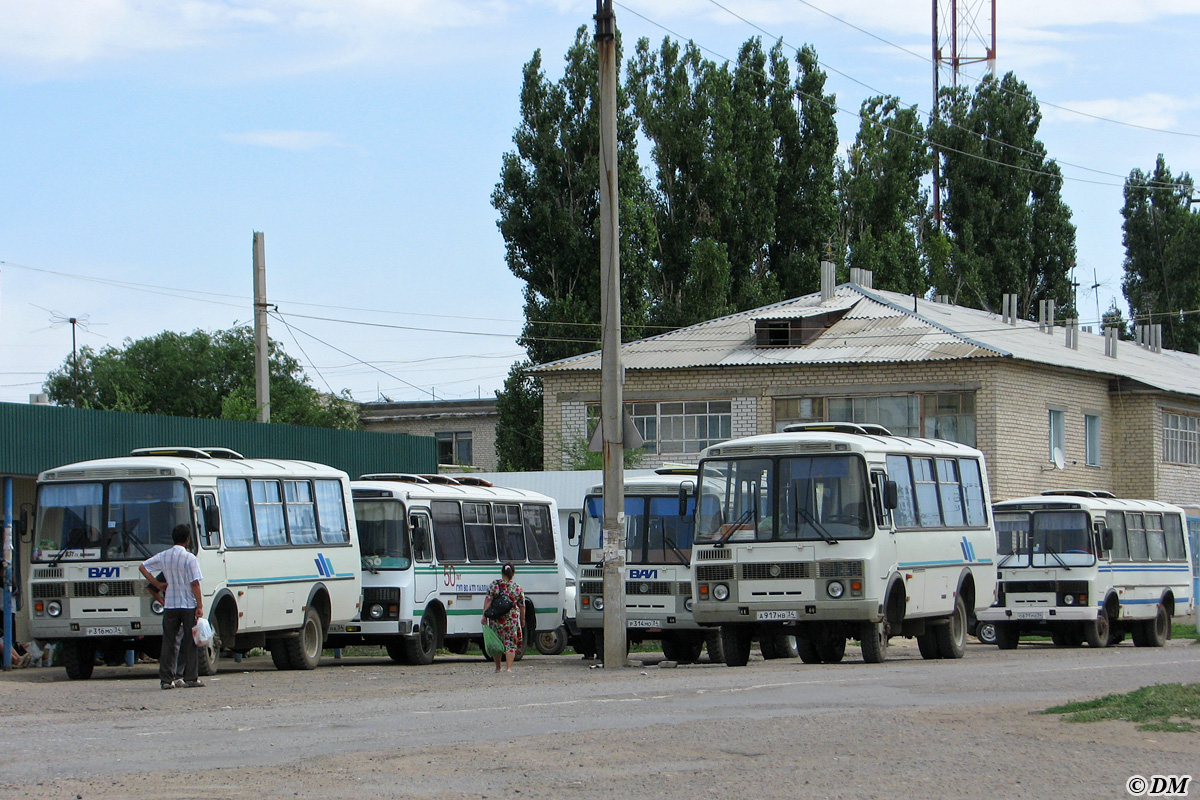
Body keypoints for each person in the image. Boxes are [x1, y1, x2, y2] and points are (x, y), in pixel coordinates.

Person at [139, 524, 204, 689]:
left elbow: (143, 567)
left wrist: (157, 584)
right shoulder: (190, 558)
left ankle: (166, 680)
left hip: (170, 605)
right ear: (188, 539)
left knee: (168, 642)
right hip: (188, 605)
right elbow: (195, 583)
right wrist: (199, 605)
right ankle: (191, 678)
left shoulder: (164, 556)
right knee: (191, 642)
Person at [481, 562, 524, 673]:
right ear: (513, 573)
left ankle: (498, 667)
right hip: (511, 620)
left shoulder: (494, 585)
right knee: (510, 643)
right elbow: (522, 606)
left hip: (496, 619)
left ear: (502, 572)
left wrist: (484, 615)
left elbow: (488, 601)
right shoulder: (517, 588)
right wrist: (522, 619)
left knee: (497, 642)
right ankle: (508, 668)